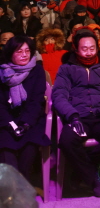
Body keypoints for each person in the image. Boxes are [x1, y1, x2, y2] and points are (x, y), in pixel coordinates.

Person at [52, 28, 100, 197]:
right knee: (66, 141)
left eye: (92, 48)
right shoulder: (66, 68)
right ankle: (93, 178)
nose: (89, 53)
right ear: (76, 49)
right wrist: (72, 116)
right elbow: (59, 95)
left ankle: (82, 169)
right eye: (84, 49)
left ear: (97, 47)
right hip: (79, 117)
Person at [0, 35, 49, 181]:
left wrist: (26, 124)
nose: (24, 55)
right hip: (7, 120)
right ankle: (13, 191)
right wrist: (10, 124)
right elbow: (0, 104)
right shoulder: (2, 72)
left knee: (29, 147)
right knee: (6, 148)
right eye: (19, 51)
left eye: (27, 51)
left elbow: (36, 101)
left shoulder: (37, 71)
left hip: (31, 120)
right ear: (10, 53)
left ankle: (22, 189)